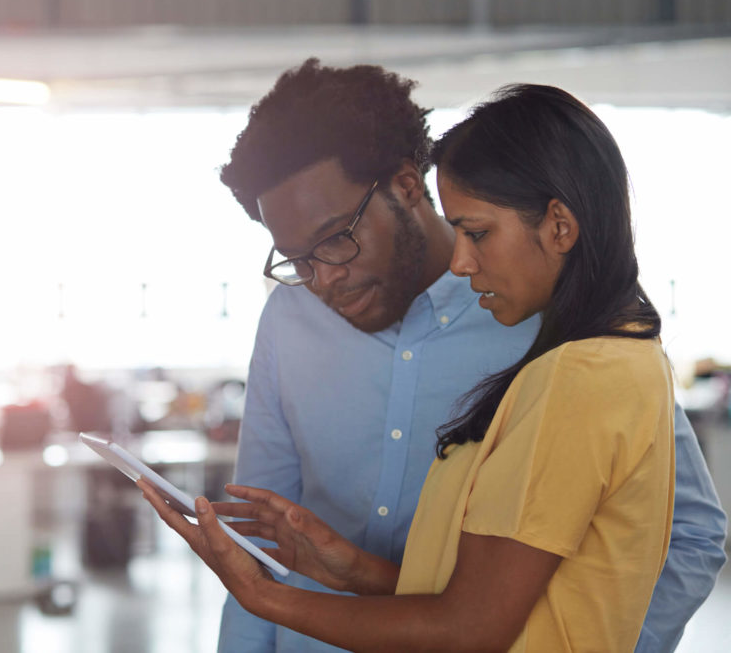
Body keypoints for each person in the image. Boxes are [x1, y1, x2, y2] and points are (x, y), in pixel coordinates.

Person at [165, 61, 725, 652]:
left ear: (407, 186)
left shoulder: (560, 331)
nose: (323, 277)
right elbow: (258, 546)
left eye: (336, 239)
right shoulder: (288, 320)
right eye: (297, 259)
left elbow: (686, 534)